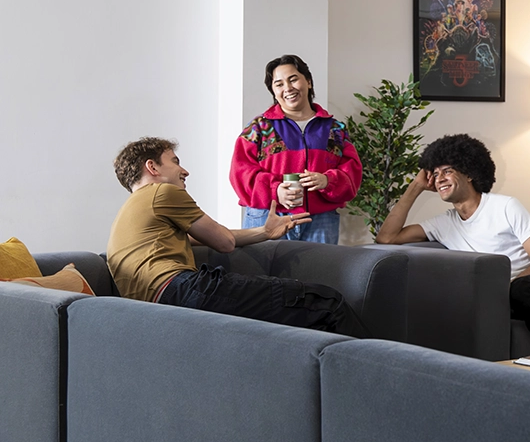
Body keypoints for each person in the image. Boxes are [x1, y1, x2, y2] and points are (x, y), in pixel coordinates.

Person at [107, 137, 359, 334]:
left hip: (155, 304)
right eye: (174, 161)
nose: (184, 171)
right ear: (152, 167)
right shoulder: (161, 192)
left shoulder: (133, 210)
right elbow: (224, 242)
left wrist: (265, 231)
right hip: (181, 289)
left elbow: (211, 237)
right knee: (326, 303)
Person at [374, 134, 530, 349]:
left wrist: (504, 288)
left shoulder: (505, 206)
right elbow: (387, 237)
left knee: (520, 289)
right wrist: (416, 186)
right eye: (435, 174)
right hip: (498, 299)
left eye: (447, 171)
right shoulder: (443, 224)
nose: (439, 179)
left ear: (469, 173)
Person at [230, 54, 362, 245]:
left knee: (318, 274)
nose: (288, 88)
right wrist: (275, 191)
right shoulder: (259, 128)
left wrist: (328, 180)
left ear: (308, 82)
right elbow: (239, 174)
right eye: (279, 84)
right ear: (273, 91)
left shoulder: (335, 129)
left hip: (320, 219)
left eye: (293, 79)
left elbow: (353, 174)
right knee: (259, 275)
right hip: (267, 216)